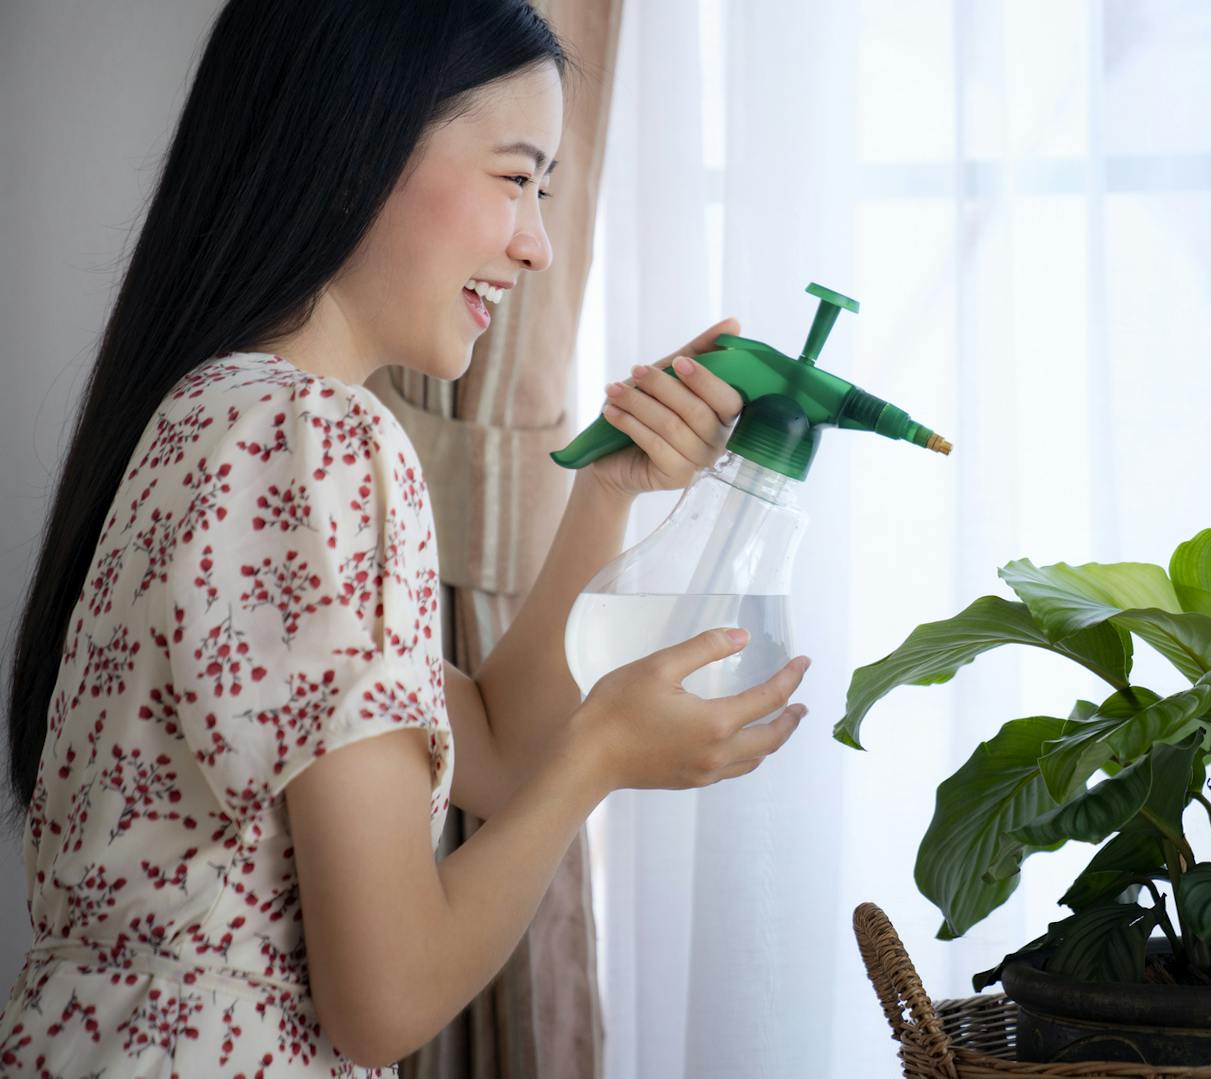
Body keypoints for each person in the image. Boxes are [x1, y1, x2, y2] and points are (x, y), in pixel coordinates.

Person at [0, 1, 807, 1074]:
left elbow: (500, 753)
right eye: (515, 178)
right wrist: (604, 754)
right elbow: (383, 998)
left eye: (546, 190)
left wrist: (604, 492)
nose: (536, 245)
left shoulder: (215, 418)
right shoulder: (317, 435)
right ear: (355, 149)